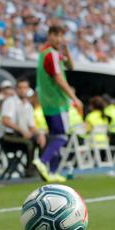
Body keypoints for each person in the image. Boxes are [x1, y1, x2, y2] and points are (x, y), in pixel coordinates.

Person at [33, 25, 82, 182]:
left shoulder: (47, 54)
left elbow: (71, 67)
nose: (59, 39)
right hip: (57, 102)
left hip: (47, 102)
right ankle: (42, 161)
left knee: (55, 136)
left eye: (62, 36)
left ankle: (52, 172)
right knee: (62, 137)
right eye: (56, 35)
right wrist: (74, 98)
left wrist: (66, 50)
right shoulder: (51, 54)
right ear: (50, 36)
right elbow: (59, 79)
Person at [0, 79, 45, 177]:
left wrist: (40, 134)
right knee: (29, 143)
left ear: (28, 89)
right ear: (16, 89)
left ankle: (40, 167)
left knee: (43, 139)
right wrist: (22, 131)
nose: (22, 90)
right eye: (20, 88)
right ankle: (29, 170)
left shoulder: (28, 106)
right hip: (7, 136)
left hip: (20, 135)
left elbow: (31, 127)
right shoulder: (10, 102)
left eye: (25, 88)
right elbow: (6, 121)